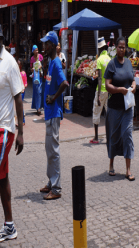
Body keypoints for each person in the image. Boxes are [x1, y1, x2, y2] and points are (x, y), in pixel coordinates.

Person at [0, 28, 24, 241]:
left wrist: (21, 132)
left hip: (4, 130)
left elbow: (18, 98)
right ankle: (9, 226)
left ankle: (9, 226)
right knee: (2, 177)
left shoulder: (9, 62)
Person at [39, 31, 68, 200]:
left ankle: (56, 188)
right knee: (49, 149)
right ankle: (51, 181)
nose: (43, 46)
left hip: (54, 113)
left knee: (53, 150)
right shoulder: (50, 63)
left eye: (45, 44)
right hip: (49, 113)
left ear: (51, 46)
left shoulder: (56, 63)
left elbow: (65, 83)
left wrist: (54, 98)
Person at [104, 37, 136, 181]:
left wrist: (134, 86)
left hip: (128, 107)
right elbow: (107, 85)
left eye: (124, 47)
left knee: (127, 135)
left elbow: (133, 79)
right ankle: (111, 163)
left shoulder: (129, 63)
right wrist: (119, 90)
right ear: (115, 48)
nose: (122, 49)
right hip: (115, 108)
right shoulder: (112, 64)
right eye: (119, 47)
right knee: (114, 136)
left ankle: (128, 169)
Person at [90, 38, 111, 144]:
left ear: (100, 48)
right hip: (109, 90)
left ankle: (96, 137)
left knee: (96, 112)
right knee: (108, 114)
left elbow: (99, 78)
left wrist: (98, 95)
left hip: (101, 90)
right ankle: (109, 137)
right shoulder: (109, 58)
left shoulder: (99, 60)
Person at [30, 46, 43, 116]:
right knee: (36, 92)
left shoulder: (40, 56)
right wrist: (32, 69)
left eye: (37, 50)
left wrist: (40, 66)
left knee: (39, 92)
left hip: (40, 76)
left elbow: (43, 64)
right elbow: (31, 68)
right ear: (33, 51)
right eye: (35, 50)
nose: (37, 51)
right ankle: (36, 107)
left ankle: (39, 108)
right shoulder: (32, 58)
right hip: (34, 77)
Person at [18, 61, 27, 126]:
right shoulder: (15, 73)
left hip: (21, 92)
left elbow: (26, 83)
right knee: (18, 107)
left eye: (18, 64)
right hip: (16, 91)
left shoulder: (23, 73)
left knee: (20, 106)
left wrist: (23, 87)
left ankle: (22, 121)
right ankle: (20, 121)